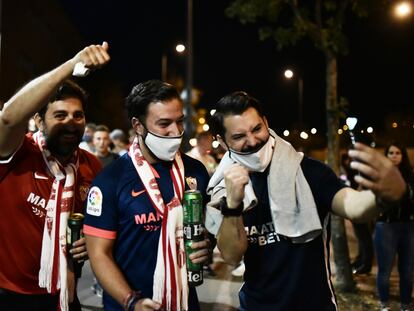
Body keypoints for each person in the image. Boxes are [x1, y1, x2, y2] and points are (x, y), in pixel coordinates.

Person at [204, 91, 408, 310]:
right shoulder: (223, 187)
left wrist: (384, 196)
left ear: (266, 122)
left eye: (257, 129)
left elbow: (354, 207)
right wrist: (233, 205)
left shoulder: (310, 172)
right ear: (222, 142)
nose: (252, 141)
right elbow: (232, 256)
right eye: (239, 136)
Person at [84, 80, 211, 311]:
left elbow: (208, 230)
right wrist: (131, 301)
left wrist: (208, 244)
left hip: (183, 303)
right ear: (138, 125)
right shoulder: (110, 180)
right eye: (164, 124)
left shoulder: (196, 171)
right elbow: (98, 254)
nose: (176, 131)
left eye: (180, 121)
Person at [0, 42, 110, 310]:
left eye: (78, 115)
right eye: (59, 115)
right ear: (39, 121)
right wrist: (71, 65)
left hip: (65, 295)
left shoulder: (92, 165)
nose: (71, 123)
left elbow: (99, 224)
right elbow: (7, 120)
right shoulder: (18, 151)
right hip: (11, 295)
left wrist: (89, 239)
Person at [375, 142, 414, 311]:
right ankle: (384, 305)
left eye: (398, 152)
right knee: (384, 270)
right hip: (386, 226)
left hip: (408, 226)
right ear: (387, 155)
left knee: (407, 270)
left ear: (403, 155)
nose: (394, 155)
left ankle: (405, 305)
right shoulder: (380, 176)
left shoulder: (411, 176)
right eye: (391, 152)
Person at [341, 153, 374, 274]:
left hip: (362, 206)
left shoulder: (361, 170)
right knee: (361, 236)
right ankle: (361, 260)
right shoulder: (351, 171)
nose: (349, 161)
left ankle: (366, 263)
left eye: (351, 158)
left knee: (365, 237)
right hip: (355, 205)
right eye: (347, 159)